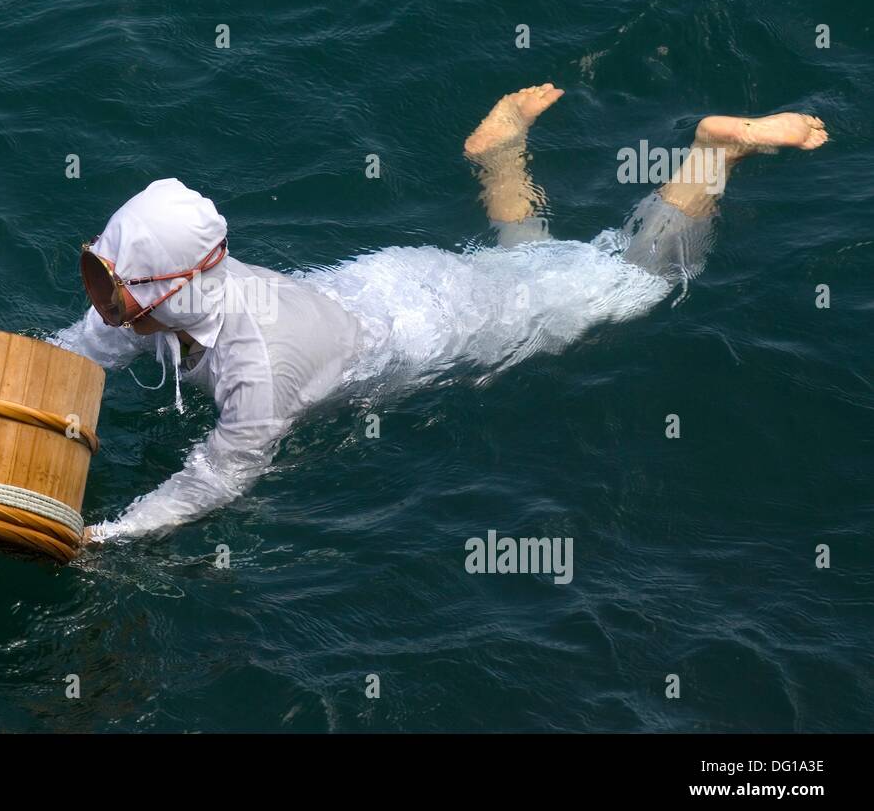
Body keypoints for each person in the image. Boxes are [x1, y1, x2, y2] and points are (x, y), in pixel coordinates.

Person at [49, 84, 827, 545]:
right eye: (102, 276)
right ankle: (499, 152)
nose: (104, 300)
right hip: (388, 286)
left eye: (111, 285)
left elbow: (212, 482)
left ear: (170, 289)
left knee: (637, 284)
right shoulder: (193, 289)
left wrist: (104, 536)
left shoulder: (260, 368)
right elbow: (77, 350)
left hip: (441, 330)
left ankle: (712, 153)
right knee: (529, 265)